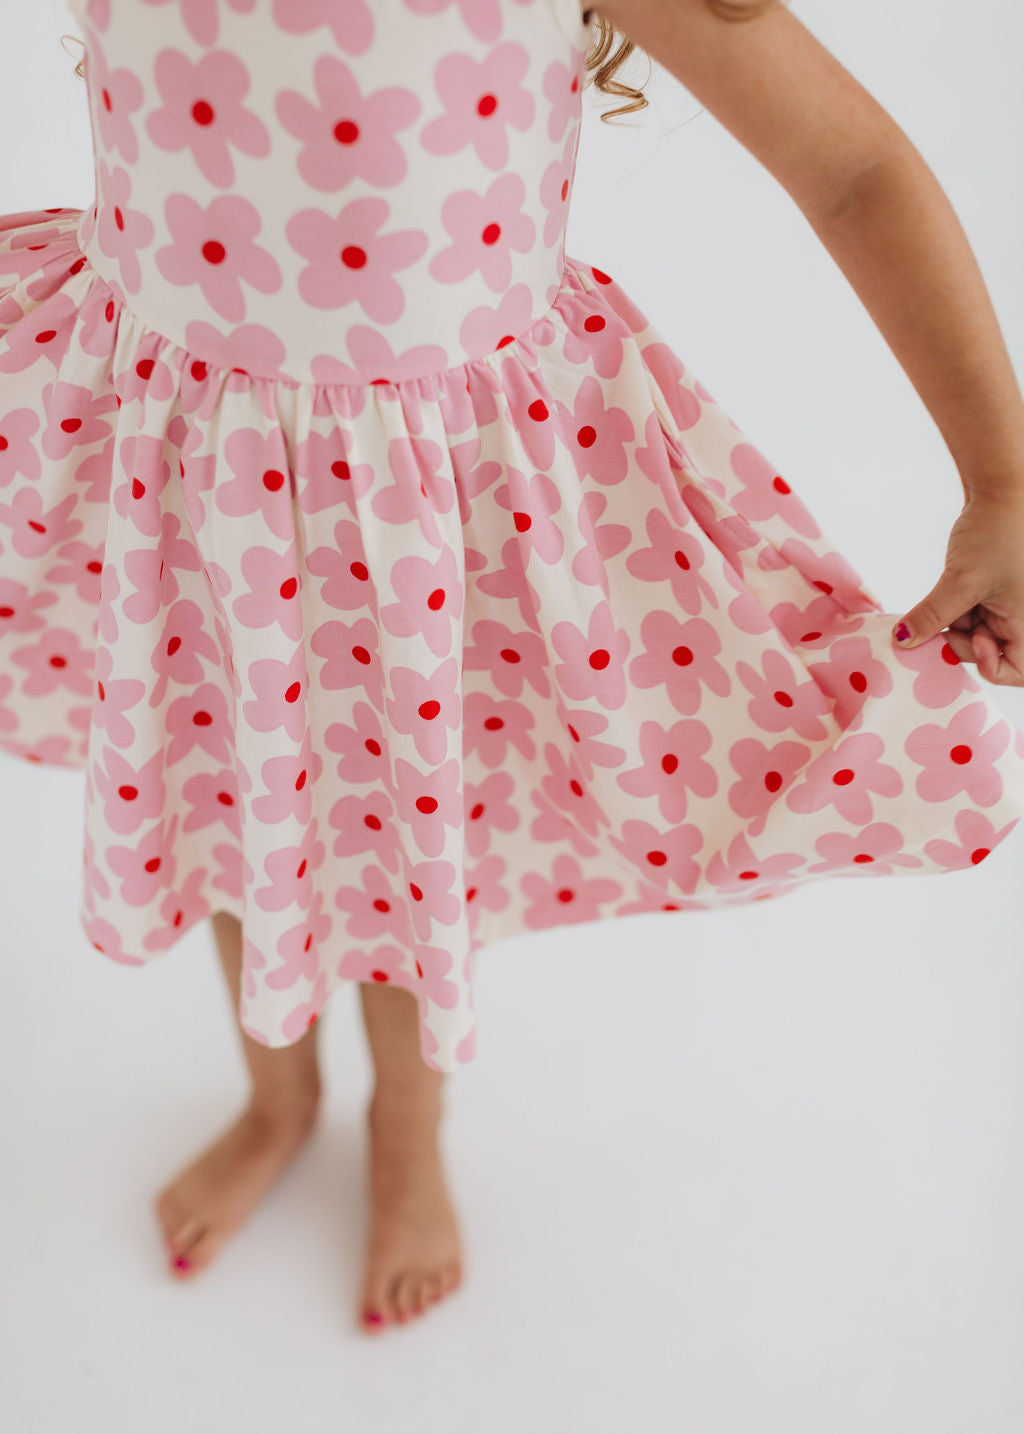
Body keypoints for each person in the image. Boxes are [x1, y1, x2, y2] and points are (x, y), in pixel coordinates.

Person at [2, 0, 1023, 1337]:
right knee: (230, 799)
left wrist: (1002, 475)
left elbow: (852, 167)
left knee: (409, 841)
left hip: (438, 510)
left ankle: (406, 1129)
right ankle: (278, 1098)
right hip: (188, 469)